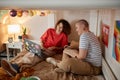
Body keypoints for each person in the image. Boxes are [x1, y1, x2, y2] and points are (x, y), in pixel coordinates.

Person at [1, 19, 71, 76]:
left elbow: (63, 47)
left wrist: (55, 47)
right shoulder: (50, 30)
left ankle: (16, 66)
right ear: (57, 25)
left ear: (64, 29)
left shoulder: (63, 35)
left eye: (62, 27)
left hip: (51, 51)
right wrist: (42, 46)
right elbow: (41, 39)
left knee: (35, 54)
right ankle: (18, 67)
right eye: (59, 26)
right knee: (33, 52)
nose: (59, 28)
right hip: (43, 47)